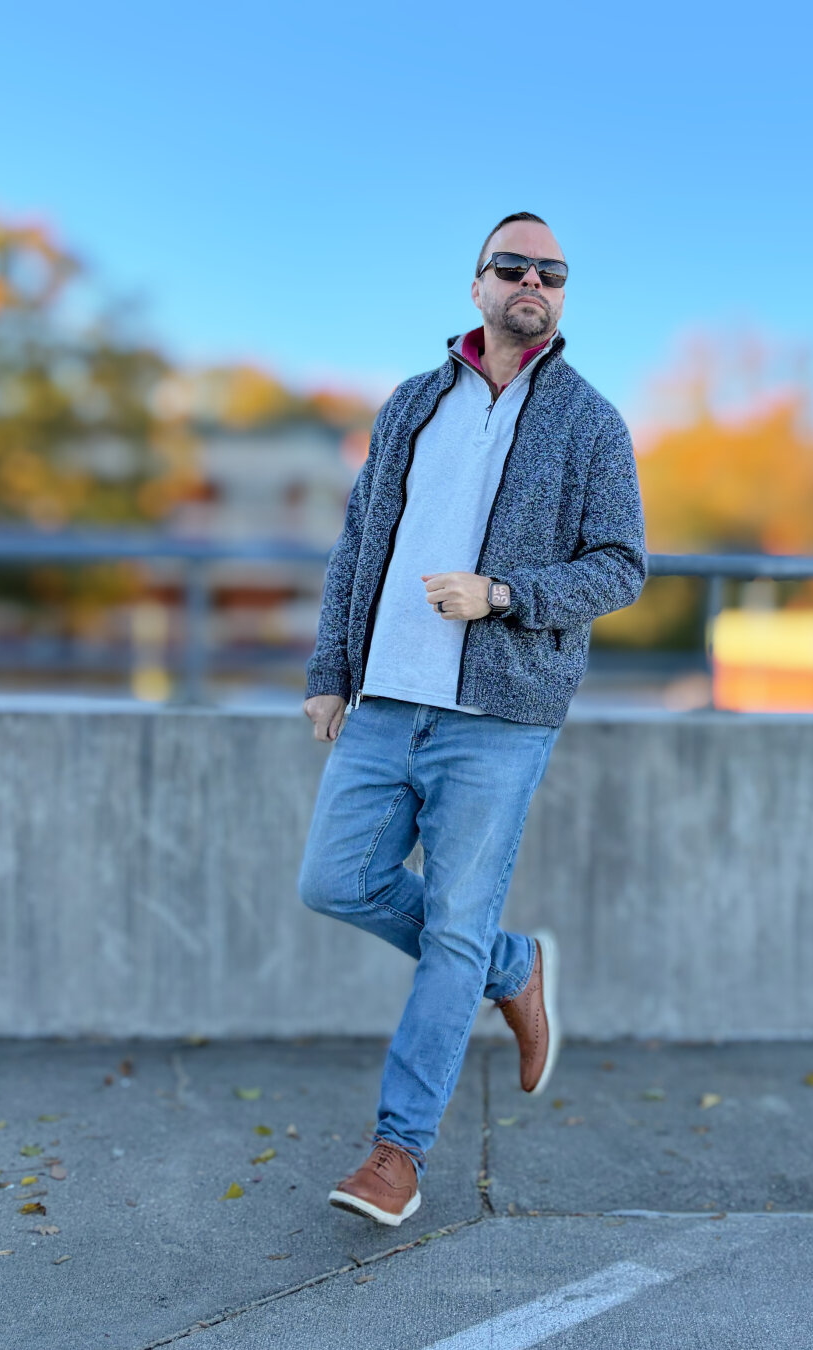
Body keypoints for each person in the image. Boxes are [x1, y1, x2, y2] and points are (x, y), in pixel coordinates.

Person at [297, 211, 647, 1227]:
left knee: (451, 926)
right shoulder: (412, 404)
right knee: (335, 881)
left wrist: (503, 596)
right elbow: (358, 542)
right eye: (513, 265)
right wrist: (330, 670)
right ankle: (513, 965)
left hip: (501, 715)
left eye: (553, 272)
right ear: (478, 285)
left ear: (561, 295)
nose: (533, 281)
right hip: (385, 697)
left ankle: (397, 1153)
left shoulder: (590, 422)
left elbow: (621, 566)